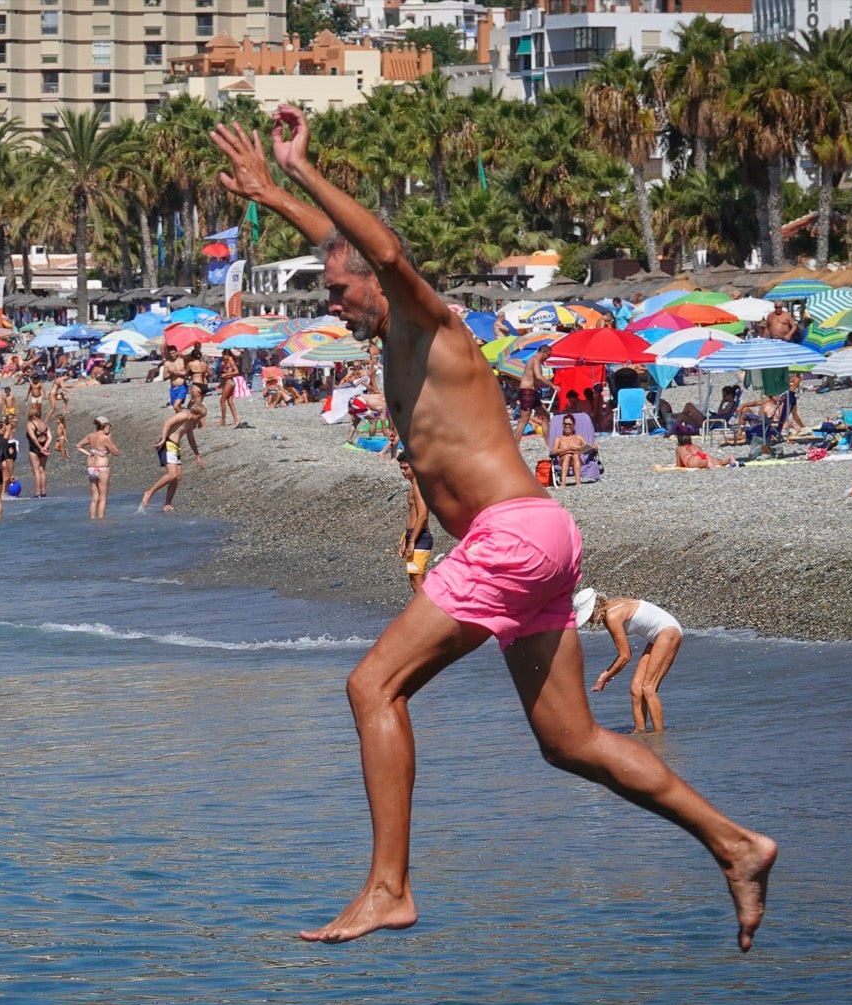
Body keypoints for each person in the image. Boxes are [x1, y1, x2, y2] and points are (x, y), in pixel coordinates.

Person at [211, 106, 775, 948]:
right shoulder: (385, 319)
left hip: (509, 538)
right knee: (570, 741)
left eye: (338, 290)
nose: (332, 306)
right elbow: (355, 246)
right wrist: (273, 194)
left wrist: (299, 168)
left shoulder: (430, 322)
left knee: (373, 687)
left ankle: (388, 886)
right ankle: (736, 844)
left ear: (376, 281)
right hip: (538, 539)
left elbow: (385, 250)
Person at [586, 593, 684, 733]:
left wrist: (605, 676)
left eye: (586, 616)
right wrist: (608, 674)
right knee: (636, 688)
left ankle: (659, 737)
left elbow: (625, 656)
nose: (587, 621)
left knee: (648, 688)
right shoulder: (611, 608)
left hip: (669, 632)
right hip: (657, 636)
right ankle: (640, 734)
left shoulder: (611, 617)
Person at [140, 402, 205, 512]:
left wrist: (197, 455)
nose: (199, 420)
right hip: (167, 444)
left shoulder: (190, 422)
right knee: (172, 475)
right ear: (194, 413)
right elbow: (167, 423)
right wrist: (163, 439)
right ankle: (149, 492)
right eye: (199, 417)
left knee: (178, 477)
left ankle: (168, 504)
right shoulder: (184, 415)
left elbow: (191, 439)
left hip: (175, 447)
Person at [397, 451, 431, 594]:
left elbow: (423, 515)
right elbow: (412, 515)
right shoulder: (413, 487)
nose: (403, 472)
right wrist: (406, 538)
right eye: (401, 468)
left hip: (420, 537)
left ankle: (429, 612)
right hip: (414, 535)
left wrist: (412, 541)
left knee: (418, 582)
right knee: (414, 581)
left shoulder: (418, 487)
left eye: (406, 468)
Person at [78, 416, 119, 520]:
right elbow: (116, 453)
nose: (109, 428)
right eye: (108, 425)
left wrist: (89, 453)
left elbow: (78, 446)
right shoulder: (105, 438)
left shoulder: (91, 436)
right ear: (105, 425)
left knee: (94, 497)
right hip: (102, 467)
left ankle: (92, 519)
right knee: (103, 497)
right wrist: (109, 439)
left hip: (91, 467)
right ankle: (101, 520)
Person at [512, 346, 553, 440]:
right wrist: (552, 385)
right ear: (543, 352)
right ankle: (515, 444)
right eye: (548, 355)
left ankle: (548, 443)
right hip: (527, 392)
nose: (548, 357)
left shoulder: (536, 362)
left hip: (533, 393)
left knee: (545, 415)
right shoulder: (534, 360)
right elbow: (539, 376)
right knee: (524, 420)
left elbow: (536, 379)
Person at [551, 415, 587, 485]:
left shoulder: (578, 437)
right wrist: (569, 449)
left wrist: (594, 448)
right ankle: (563, 483)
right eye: (565, 424)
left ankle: (578, 482)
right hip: (563, 460)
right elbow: (554, 451)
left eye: (569, 424)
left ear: (573, 425)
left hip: (576, 461)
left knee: (575, 456)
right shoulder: (559, 438)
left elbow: (587, 449)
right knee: (567, 456)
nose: (567, 426)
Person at [26, 409, 52, 497]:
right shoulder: (45, 424)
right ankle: (43, 491)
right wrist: (44, 447)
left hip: (35, 448)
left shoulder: (30, 424)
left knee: (36, 471)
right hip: (45, 447)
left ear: (32, 415)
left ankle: (37, 493)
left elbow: (33, 438)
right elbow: (50, 437)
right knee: (42, 470)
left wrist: (40, 448)